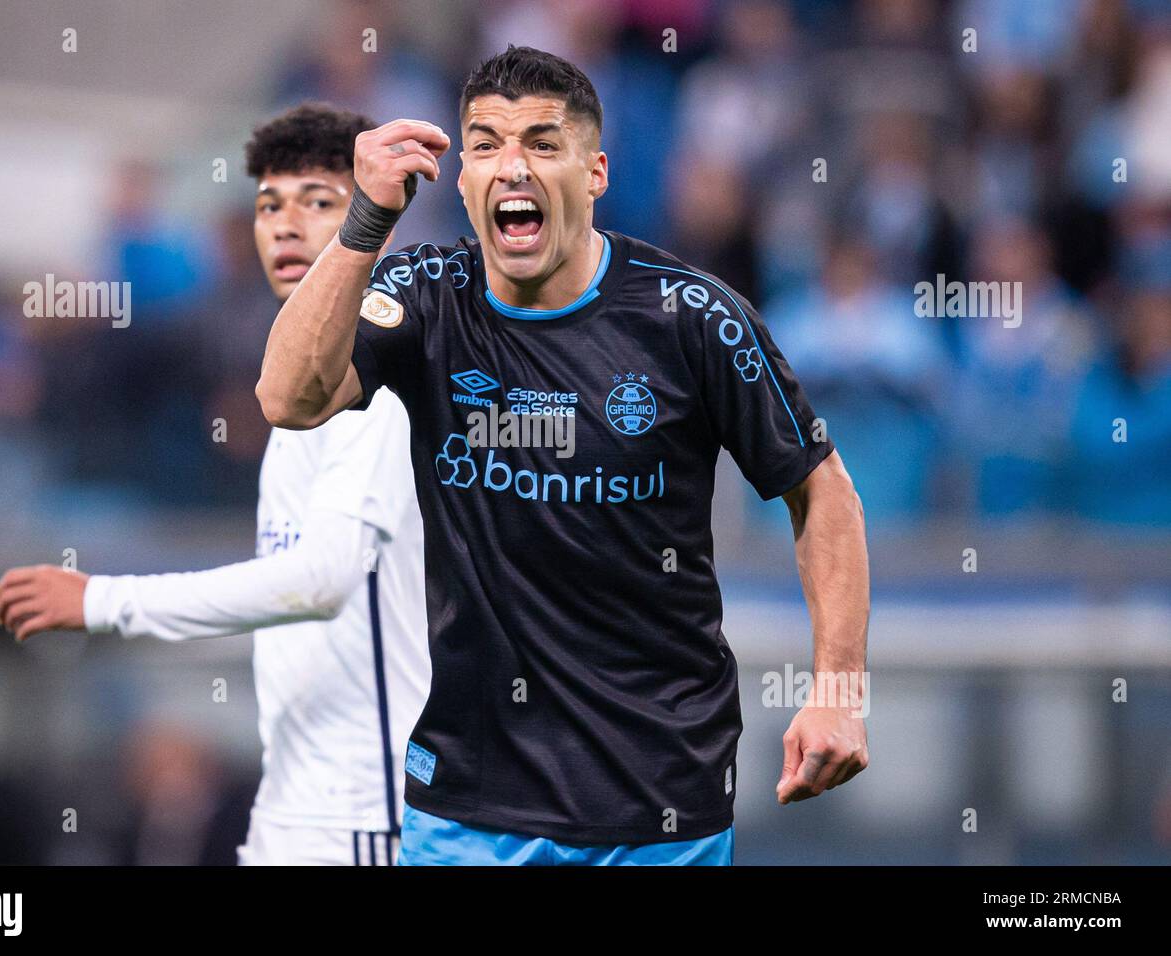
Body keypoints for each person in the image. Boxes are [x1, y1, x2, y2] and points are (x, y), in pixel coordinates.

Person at [257, 46, 871, 867]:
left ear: (596, 173)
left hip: (659, 803)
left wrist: (837, 691)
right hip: (466, 804)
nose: (512, 166)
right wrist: (366, 223)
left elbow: (821, 491)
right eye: (485, 145)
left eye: (543, 143)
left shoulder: (691, 318)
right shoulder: (424, 296)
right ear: (463, 177)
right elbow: (289, 398)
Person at [0, 103, 430, 866]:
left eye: (319, 203)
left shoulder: (377, 388)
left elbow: (319, 581)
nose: (287, 227)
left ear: (374, 224)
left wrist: (104, 600)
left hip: (367, 814)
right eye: (269, 206)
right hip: (297, 807)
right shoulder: (295, 390)